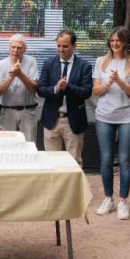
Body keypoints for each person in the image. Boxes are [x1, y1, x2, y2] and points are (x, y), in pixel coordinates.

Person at [92, 26, 130, 220]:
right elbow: (96, 91)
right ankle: (108, 199)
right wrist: (108, 83)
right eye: (112, 40)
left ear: (125, 42)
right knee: (105, 159)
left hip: (127, 118)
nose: (114, 44)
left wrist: (120, 81)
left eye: (118, 40)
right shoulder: (101, 62)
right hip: (104, 116)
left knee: (124, 160)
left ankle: (123, 201)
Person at [37, 29, 93, 165]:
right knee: (51, 163)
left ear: (74, 46)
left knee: (74, 163)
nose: (61, 49)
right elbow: (41, 90)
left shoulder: (84, 66)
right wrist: (56, 88)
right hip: (51, 120)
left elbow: (86, 92)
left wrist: (67, 87)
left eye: (65, 46)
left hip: (73, 121)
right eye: (58, 45)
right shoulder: (49, 63)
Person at [0, 34, 38, 143]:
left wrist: (20, 74)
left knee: (29, 145)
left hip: (28, 110)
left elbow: (34, 89)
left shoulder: (32, 61)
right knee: (6, 146)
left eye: (19, 48)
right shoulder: (1, 64)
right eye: (13, 47)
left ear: (24, 49)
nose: (15, 50)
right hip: (7, 110)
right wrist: (12, 76)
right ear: (9, 47)